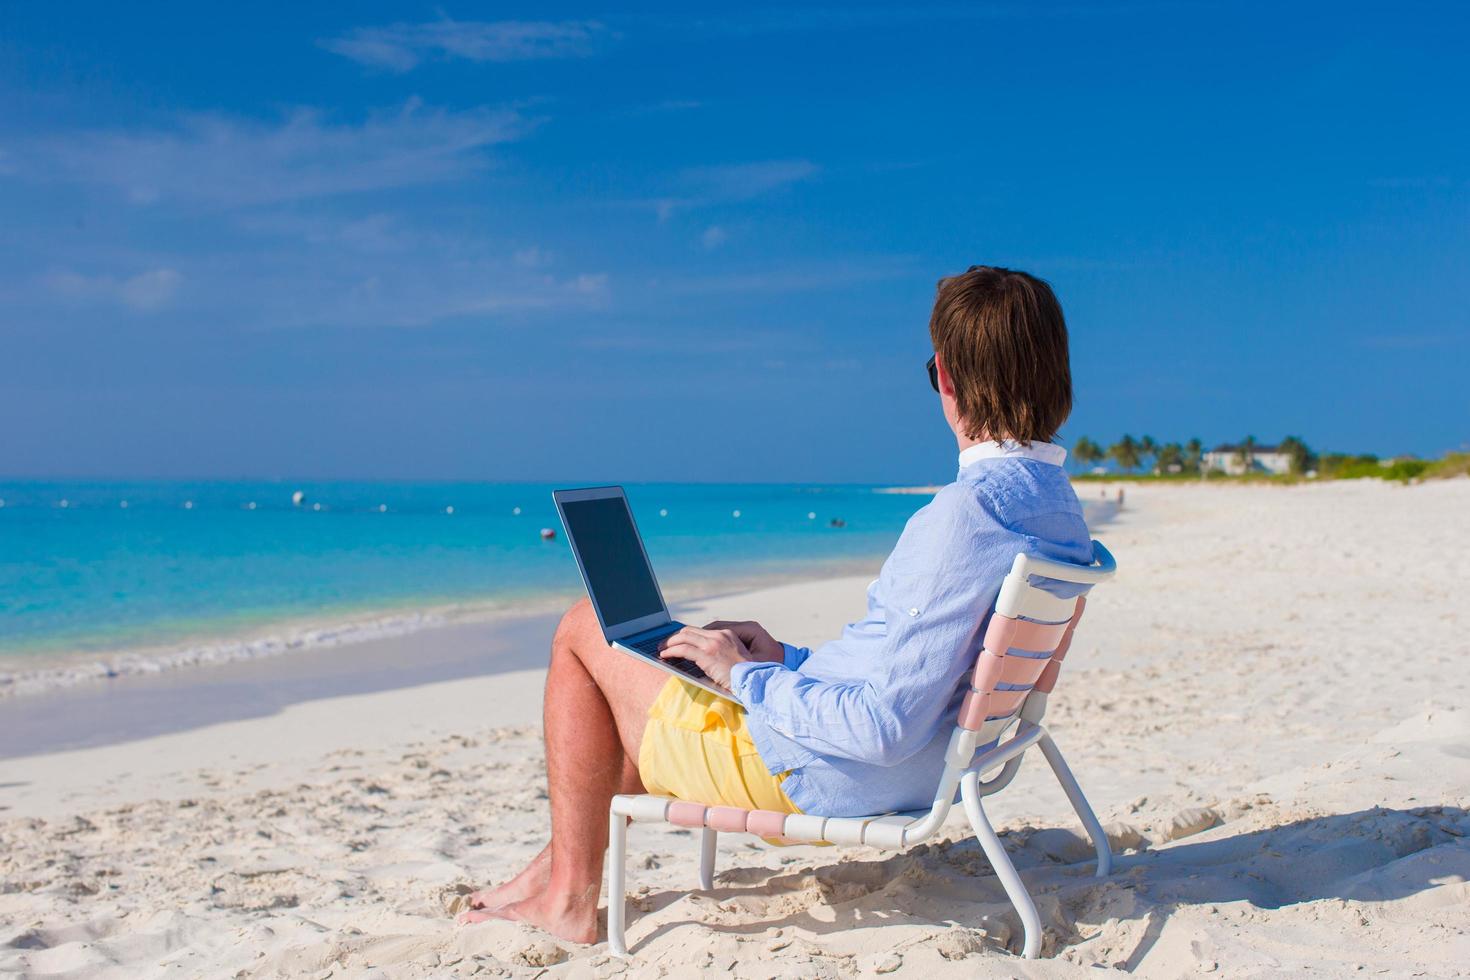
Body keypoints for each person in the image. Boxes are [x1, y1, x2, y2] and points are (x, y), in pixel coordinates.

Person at [459, 265, 1094, 943]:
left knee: (585, 630)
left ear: (945, 377)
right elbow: (912, 671)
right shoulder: (1053, 508)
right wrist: (784, 657)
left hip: (832, 774)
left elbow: (882, 729)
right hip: (941, 756)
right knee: (661, 655)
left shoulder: (961, 518)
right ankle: (554, 872)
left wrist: (745, 678)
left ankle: (566, 898)